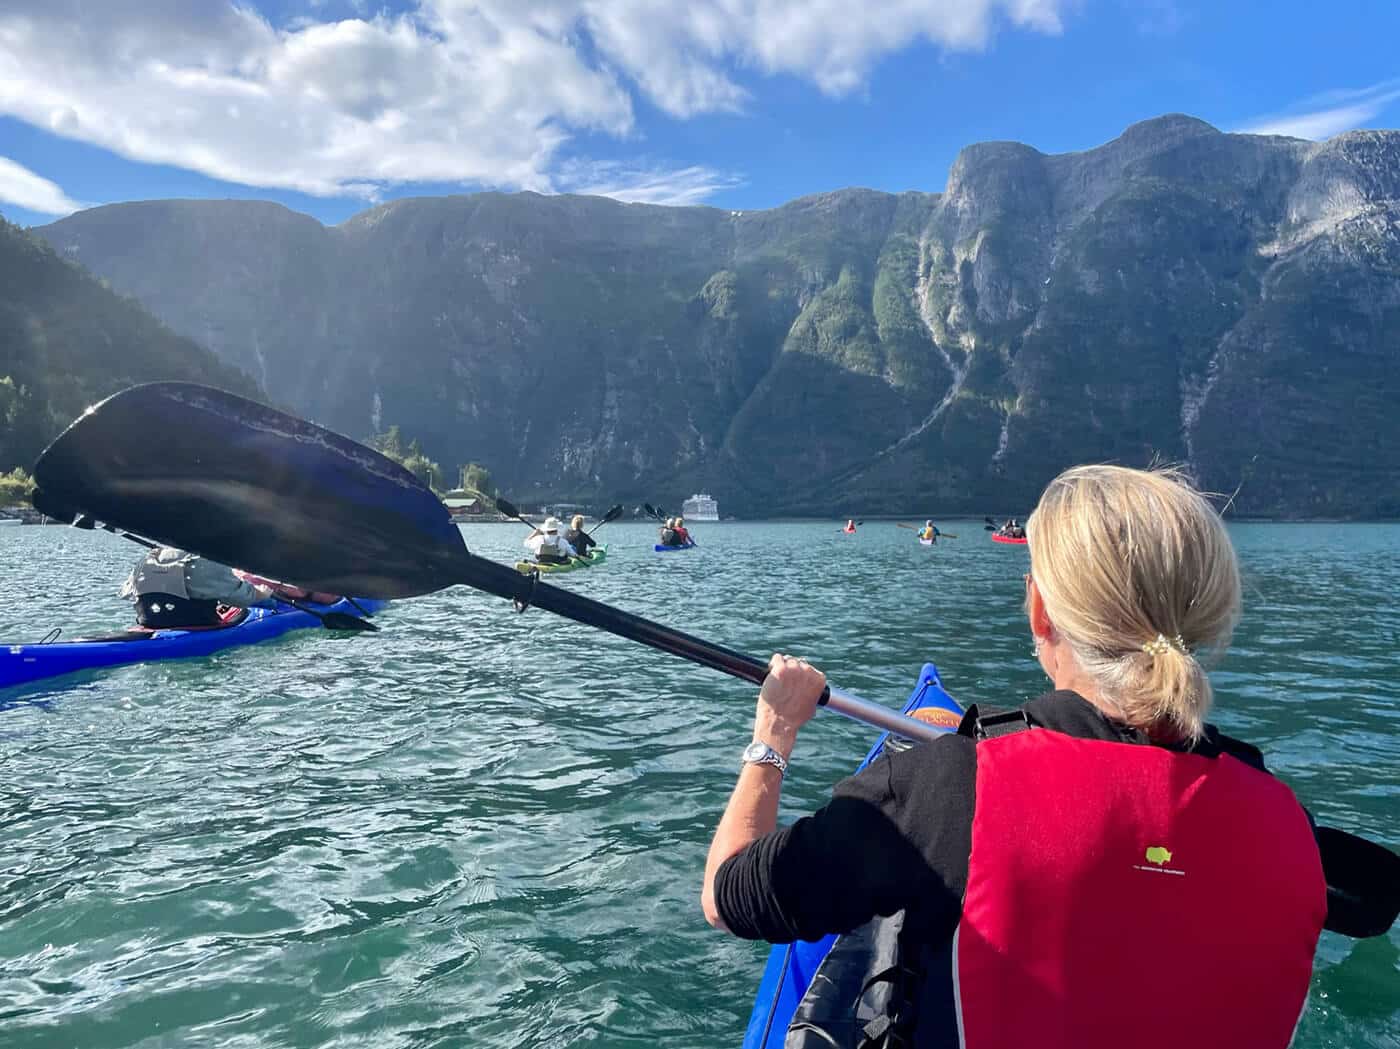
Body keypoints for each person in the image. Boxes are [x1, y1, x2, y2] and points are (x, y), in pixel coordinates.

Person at [702, 465, 1399, 1049]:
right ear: (1209, 610)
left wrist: (775, 732)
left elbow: (727, 892)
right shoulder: (1284, 820)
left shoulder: (943, 790)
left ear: (1039, 609)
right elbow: (1369, 905)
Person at [121, 546, 277, 629]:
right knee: (269, 603)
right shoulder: (204, 560)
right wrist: (262, 594)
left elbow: (126, 593)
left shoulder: (149, 557)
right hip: (194, 623)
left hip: (149, 622)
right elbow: (242, 597)